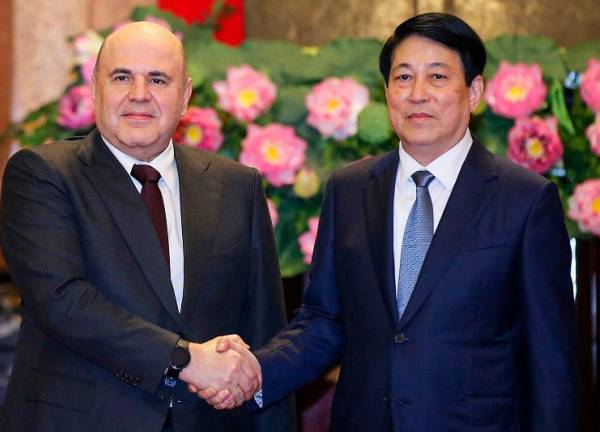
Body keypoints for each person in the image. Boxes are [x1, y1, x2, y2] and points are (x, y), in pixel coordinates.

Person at [204, 12, 579, 431]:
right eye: (403, 78)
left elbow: (552, 359)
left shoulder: (525, 200)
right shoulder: (349, 190)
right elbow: (324, 321)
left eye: (437, 77)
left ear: (474, 92)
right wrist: (253, 374)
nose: (417, 94)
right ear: (387, 92)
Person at [0, 22, 294, 432]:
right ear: (95, 86)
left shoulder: (237, 186)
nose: (139, 94)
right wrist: (186, 360)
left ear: (185, 95)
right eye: (122, 77)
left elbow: (264, 330)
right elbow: (63, 300)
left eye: (158, 79)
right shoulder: (44, 175)